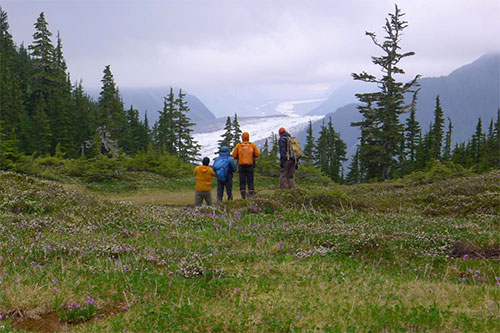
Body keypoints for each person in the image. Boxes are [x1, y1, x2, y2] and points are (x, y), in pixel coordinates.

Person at [232, 132, 260, 199]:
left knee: (242, 182)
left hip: (241, 166)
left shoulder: (238, 146)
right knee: (250, 181)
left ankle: (243, 196)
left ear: (242, 137)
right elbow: (257, 155)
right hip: (250, 166)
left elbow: (234, 155)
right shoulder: (252, 145)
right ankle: (251, 195)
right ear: (248, 137)